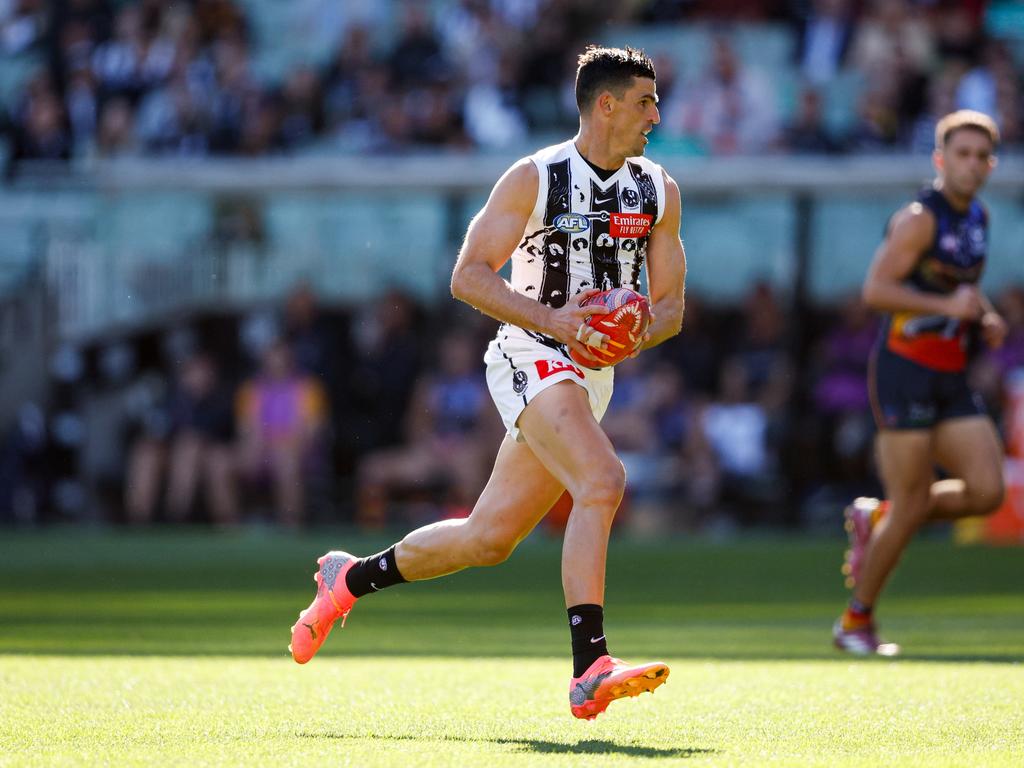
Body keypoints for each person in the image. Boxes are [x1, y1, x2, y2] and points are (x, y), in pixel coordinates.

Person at [289, 46, 686, 720]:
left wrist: (630, 333)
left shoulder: (659, 190)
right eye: (645, 101)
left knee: (487, 539)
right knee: (603, 479)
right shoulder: (534, 177)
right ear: (606, 104)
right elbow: (468, 275)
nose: (656, 113)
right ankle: (590, 664)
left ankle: (346, 578)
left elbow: (671, 307)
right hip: (528, 353)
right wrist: (554, 318)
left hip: (591, 377)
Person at [834, 110, 1007, 656]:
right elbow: (877, 291)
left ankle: (879, 518)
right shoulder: (917, 218)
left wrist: (984, 312)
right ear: (940, 159)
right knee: (913, 500)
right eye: (962, 154)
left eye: (982, 156)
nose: (972, 164)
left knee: (987, 491)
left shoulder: (977, 216)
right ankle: (855, 622)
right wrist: (949, 305)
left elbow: (957, 287)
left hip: (949, 371)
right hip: (904, 369)